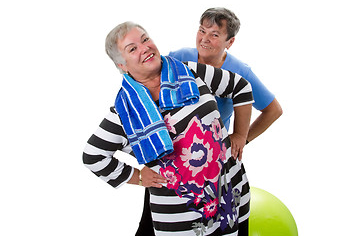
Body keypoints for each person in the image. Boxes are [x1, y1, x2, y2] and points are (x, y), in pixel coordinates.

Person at [83, 21, 254, 235]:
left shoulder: (189, 71)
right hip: (181, 216)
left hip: (231, 190)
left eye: (145, 39)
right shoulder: (125, 111)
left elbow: (241, 87)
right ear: (122, 66)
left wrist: (240, 134)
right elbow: (93, 156)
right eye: (132, 48)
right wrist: (137, 177)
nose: (144, 48)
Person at [136, 7, 283, 236]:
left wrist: (240, 138)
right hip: (172, 158)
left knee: (221, 222)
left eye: (214, 34)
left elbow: (273, 110)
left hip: (212, 164)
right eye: (201, 30)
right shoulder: (177, 59)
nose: (204, 39)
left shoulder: (240, 71)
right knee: (151, 224)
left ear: (230, 42)